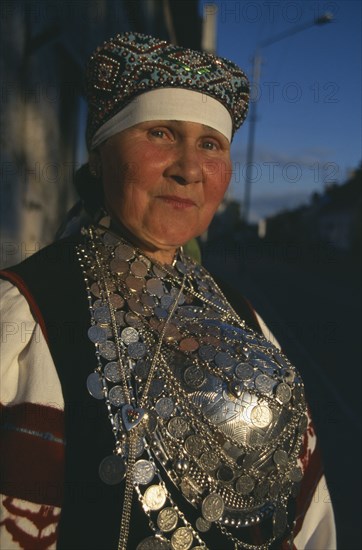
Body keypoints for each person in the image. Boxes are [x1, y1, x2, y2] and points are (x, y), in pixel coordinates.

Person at [0, 32, 335, 550]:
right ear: (100, 157)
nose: (189, 169)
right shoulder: (29, 312)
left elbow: (309, 522)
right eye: (160, 133)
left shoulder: (242, 315)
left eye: (210, 144)